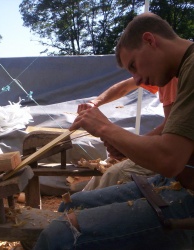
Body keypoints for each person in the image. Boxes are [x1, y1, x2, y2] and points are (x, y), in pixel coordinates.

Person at [26, 13, 194, 250]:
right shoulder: (181, 69)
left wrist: (105, 127)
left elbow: (169, 158)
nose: (136, 79)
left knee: (59, 237)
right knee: (71, 204)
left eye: (133, 65)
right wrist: (121, 141)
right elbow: (173, 138)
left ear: (150, 40)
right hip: (175, 182)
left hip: (186, 194)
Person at [82, 77, 178, 190]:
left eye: (133, 66)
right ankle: (76, 204)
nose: (137, 79)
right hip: (171, 149)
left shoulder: (170, 80)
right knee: (107, 165)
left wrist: (127, 145)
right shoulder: (153, 71)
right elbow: (125, 86)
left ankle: (84, 206)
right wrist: (94, 102)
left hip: (178, 157)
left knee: (116, 173)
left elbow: (170, 128)